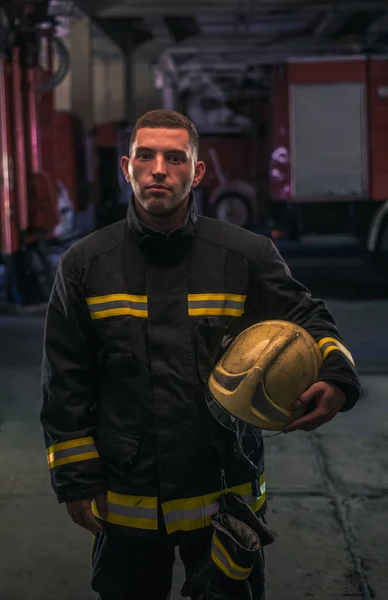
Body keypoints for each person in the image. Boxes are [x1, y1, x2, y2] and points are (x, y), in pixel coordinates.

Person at [40, 109, 361, 600]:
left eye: (175, 157)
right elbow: (65, 380)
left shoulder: (246, 256)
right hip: (126, 497)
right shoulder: (85, 265)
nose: (159, 169)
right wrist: (76, 477)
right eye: (145, 156)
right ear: (126, 167)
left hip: (223, 496)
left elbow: (310, 319)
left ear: (197, 170)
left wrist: (337, 375)